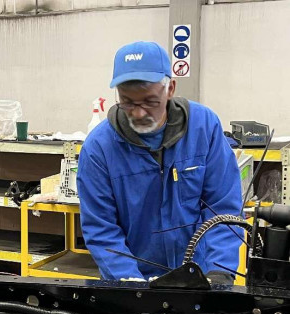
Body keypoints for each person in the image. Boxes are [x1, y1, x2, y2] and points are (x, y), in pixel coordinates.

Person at [77, 41, 242, 284]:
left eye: (150, 101)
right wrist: (132, 285)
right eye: (127, 102)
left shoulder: (204, 127)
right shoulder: (99, 148)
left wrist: (217, 272)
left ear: (170, 88)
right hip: (133, 281)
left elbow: (223, 206)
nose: (138, 113)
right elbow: (101, 229)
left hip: (201, 277)